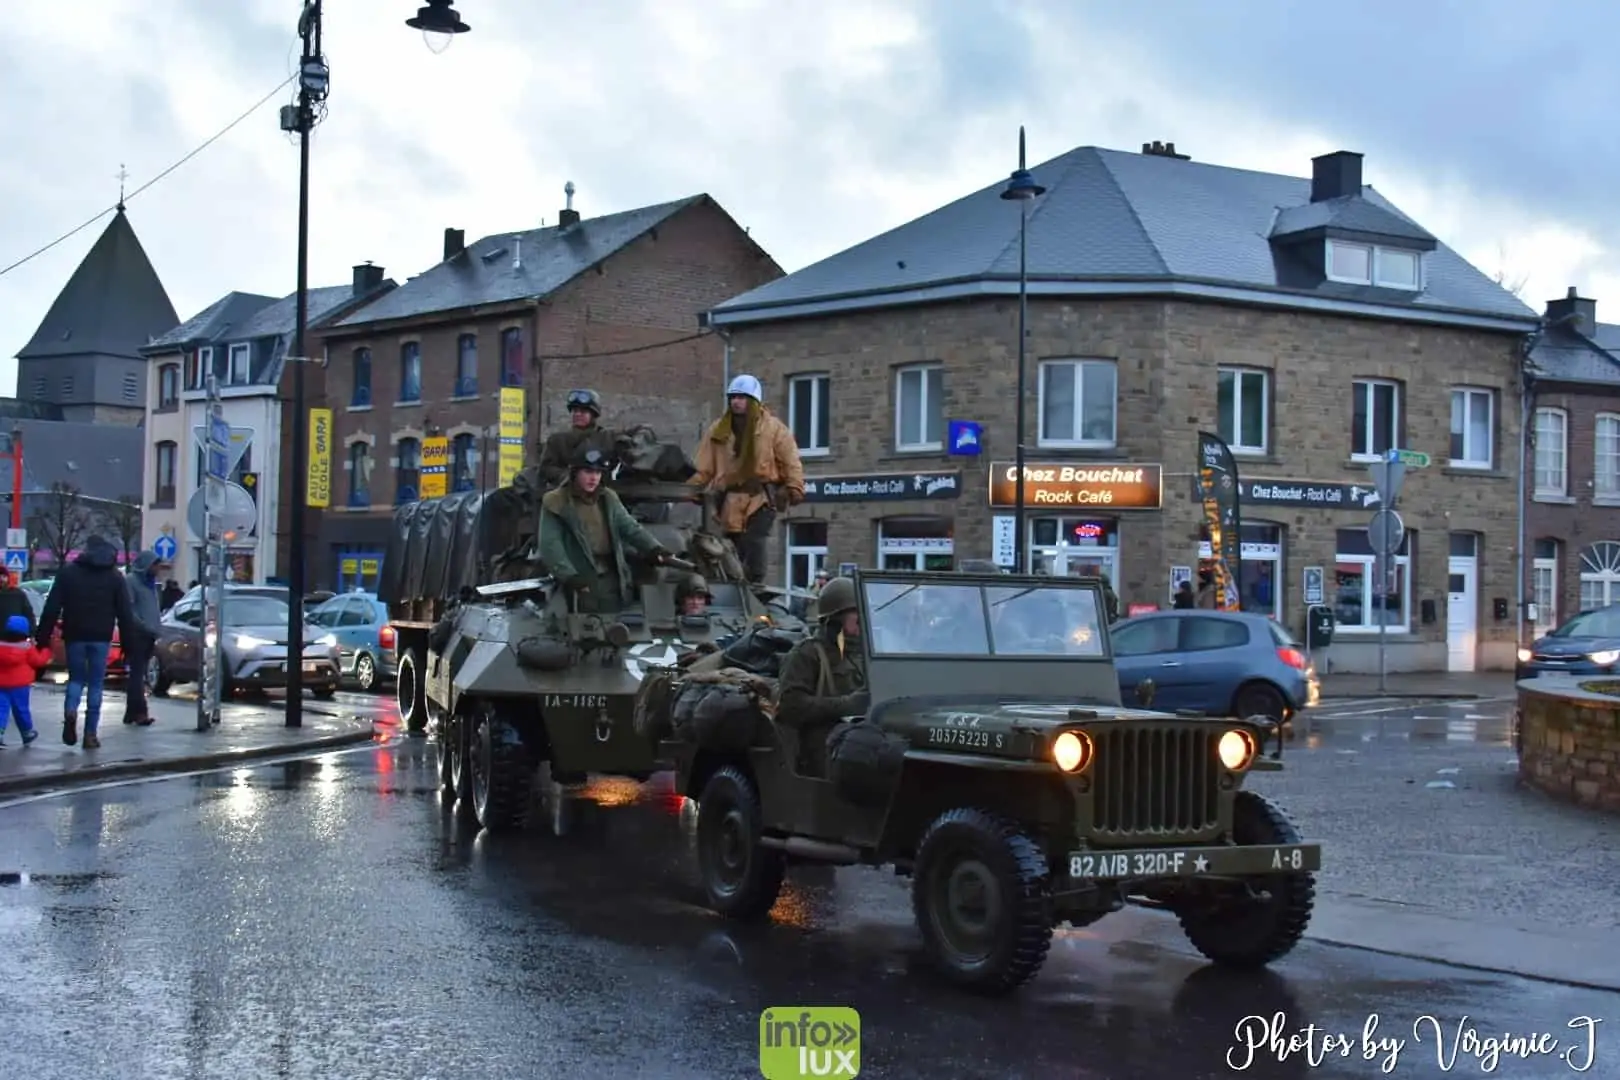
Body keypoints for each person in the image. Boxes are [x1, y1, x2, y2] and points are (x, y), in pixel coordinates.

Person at [690, 374, 805, 584]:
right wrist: (691, 489)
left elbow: (791, 460)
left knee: (755, 544)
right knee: (728, 549)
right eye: (733, 397)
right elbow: (703, 465)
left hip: (761, 498)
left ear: (753, 401)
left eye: (742, 397)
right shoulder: (718, 430)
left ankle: (755, 588)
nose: (736, 402)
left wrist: (794, 487)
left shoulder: (774, 428)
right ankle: (733, 586)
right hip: (728, 500)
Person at [538, 446, 673, 613]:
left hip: (610, 575)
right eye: (588, 471)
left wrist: (654, 548)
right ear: (575, 473)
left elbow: (629, 527)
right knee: (581, 623)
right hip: (579, 577)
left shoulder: (607, 497)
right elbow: (550, 544)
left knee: (614, 620)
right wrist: (569, 576)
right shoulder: (556, 501)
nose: (593, 478)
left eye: (598, 472)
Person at [35, 535, 134, 750]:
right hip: (101, 637)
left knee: (76, 679)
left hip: (75, 635)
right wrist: (128, 645)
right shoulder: (115, 577)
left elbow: (52, 607)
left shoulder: (68, 573)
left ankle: (71, 712)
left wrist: (42, 638)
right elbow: (125, 614)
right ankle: (90, 734)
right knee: (96, 684)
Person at [775, 577, 869, 776]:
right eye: (856, 615)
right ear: (834, 620)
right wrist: (846, 704)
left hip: (862, 738)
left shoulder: (867, 654)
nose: (863, 621)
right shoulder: (807, 654)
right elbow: (790, 707)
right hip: (822, 746)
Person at [121, 550, 165, 727]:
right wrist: (143, 625)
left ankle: (131, 713)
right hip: (137, 634)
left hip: (149, 634)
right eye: (155, 565)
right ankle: (140, 712)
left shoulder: (151, 583)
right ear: (146, 565)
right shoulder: (132, 581)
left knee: (140, 673)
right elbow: (129, 609)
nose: (158, 568)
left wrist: (155, 628)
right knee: (137, 674)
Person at [536, 388, 613, 489]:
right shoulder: (558, 440)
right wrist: (570, 477)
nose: (577, 414)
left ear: (593, 415)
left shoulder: (607, 438)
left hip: (600, 489)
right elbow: (545, 469)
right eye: (575, 411)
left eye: (583, 411)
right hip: (565, 490)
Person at [0, 614, 49, 746]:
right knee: (22, 709)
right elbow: (38, 661)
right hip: (20, 684)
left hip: (1, 683)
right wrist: (46, 652)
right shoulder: (27, 647)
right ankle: (27, 732)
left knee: (1, 708)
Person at [0, 569, 33, 635]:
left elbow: (28, 614)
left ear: (8, 578)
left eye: (3, 576)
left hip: (14, 635)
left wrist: (31, 632)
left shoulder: (18, 594)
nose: (1, 579)